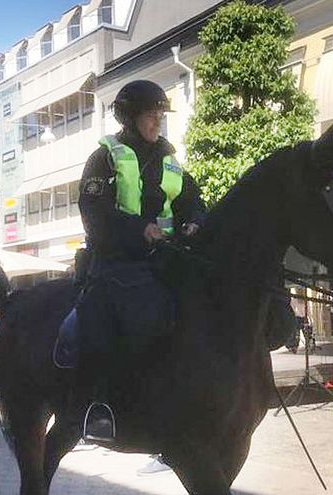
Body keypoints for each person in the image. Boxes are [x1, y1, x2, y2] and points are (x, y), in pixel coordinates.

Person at [76, 79, 207, 440]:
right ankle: (99, 405)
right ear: (130, 117)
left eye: (161, 116)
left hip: (166, 259)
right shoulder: (105, 156)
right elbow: (93, 211)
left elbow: (192, 201)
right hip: (116, 262)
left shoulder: (170, 159)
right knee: (116, 316)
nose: (158, 123)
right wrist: (139, 230)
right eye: (152, 115)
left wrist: (196, 221)